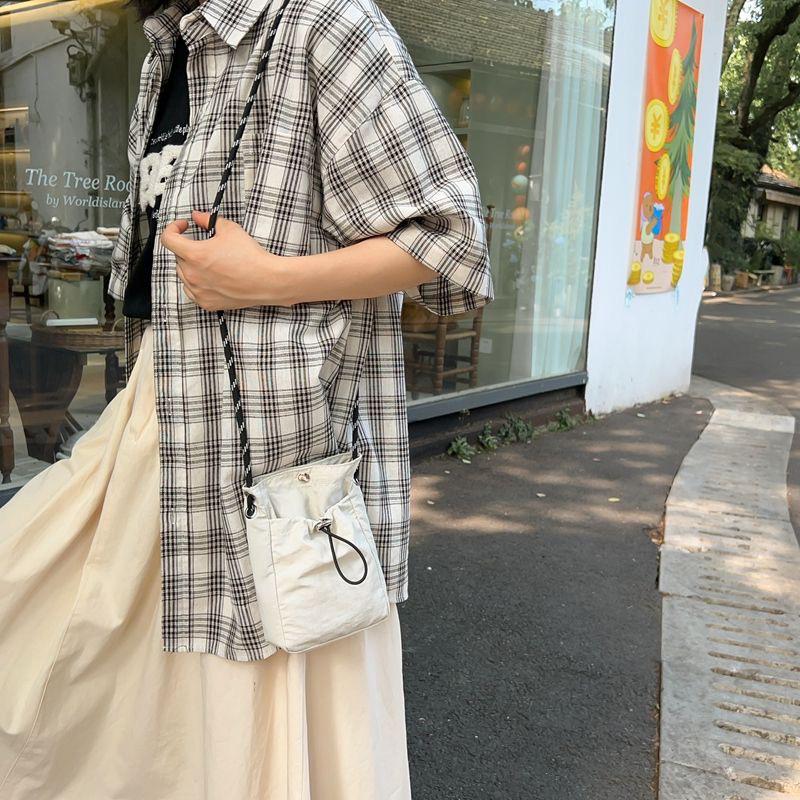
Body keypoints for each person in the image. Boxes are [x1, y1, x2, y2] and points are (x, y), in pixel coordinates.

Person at [0, 0, 494, 797]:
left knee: (267, 710)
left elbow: (452, 239)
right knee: (71, 645)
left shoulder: (326, 26)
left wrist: (268, 279)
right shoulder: (167, 49)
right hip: (157, 418)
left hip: (281, 462)